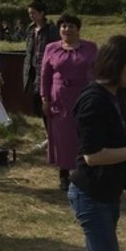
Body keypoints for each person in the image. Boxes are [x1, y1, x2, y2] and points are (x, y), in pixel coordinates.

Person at [68, 35, 126, 251]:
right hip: (90, 195)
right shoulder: (93, 101)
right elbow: (93, 156)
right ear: (116, 64)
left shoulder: (117, 96)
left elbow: (120, 141)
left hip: (108, 193)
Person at [41, 14, 97, 191]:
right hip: (60, 99)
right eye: (63, 26)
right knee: (62, 136)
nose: (67, 29)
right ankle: (64, 174)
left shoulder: (91, 47)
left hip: (84, 96)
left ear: (78, 29)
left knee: (83, 133)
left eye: (71, 26)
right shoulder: (51, 48)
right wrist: (44, 98)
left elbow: (98, 71)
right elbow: (45, 75)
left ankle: (84, 170)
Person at [23, 0, 60, 131]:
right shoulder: (31, 29)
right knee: (39, 105)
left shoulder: (52, 29)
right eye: (29, 13)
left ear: (42, 13)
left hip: (48, 72)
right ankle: (48, 133)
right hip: (34, 72)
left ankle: (53, 134)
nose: (31, 16)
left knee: (49, 104)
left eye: (34, 13)